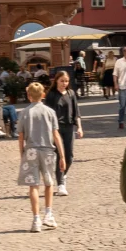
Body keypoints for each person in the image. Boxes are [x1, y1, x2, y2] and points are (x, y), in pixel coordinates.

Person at [17, 81, 65, 232]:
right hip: (47, 150)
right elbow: (55, 135)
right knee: (49, 183)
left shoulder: (24, 113)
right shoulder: (50, 112)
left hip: (31, 150)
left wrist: (22, 153)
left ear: (29, 95)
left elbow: (21, 136)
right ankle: (48, 214)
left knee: (33, 185)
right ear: (43, 95)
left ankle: (36, 219)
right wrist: (62, 155)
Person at [45, 68, 82, 196]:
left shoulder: (71, 93)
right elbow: (47, 113)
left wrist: (79, 127)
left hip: (69, 127)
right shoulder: (51, 95)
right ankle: (61, 185)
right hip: (56, 129)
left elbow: (76, 112)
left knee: (69, 156)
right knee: (60, 155)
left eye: (66, 81)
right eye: (62, 81)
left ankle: (62, 175)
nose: (64, 83)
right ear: (56, 81)